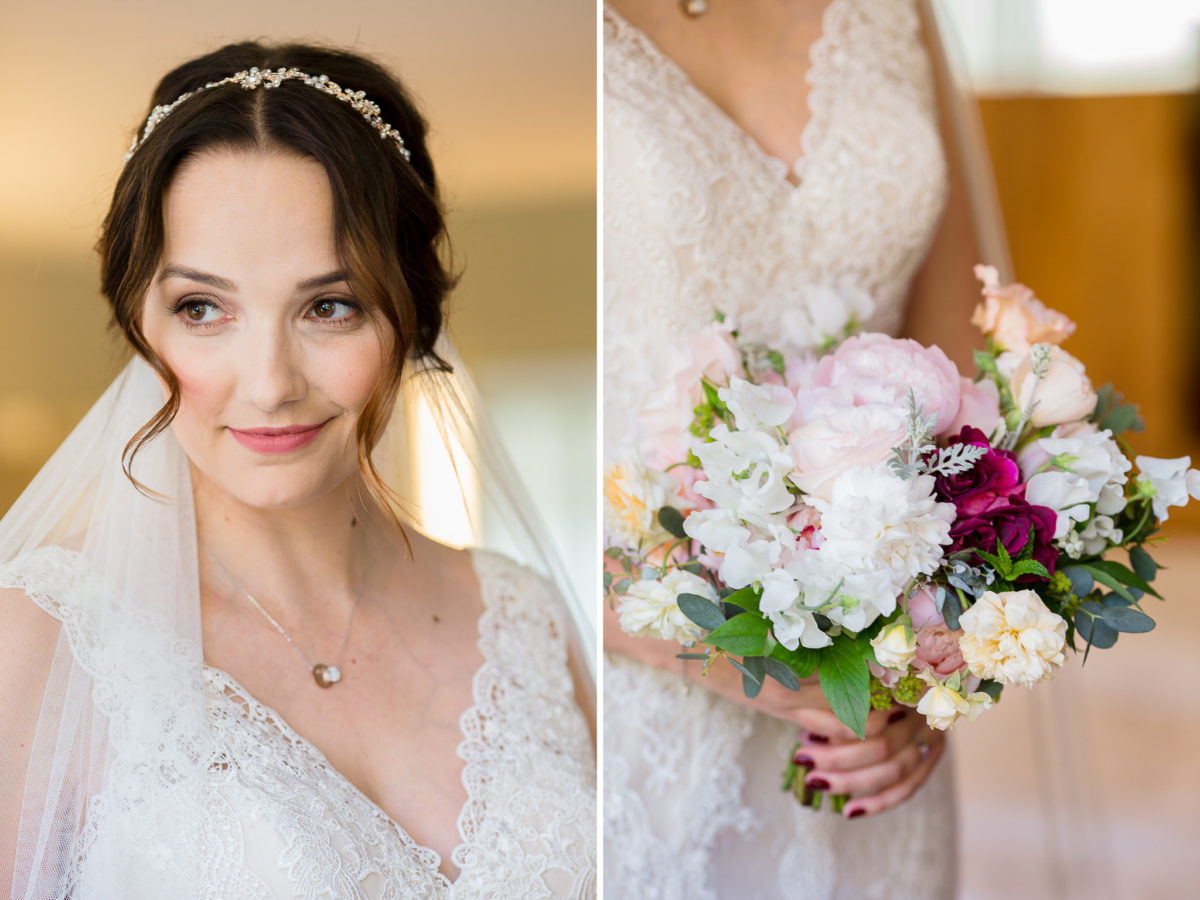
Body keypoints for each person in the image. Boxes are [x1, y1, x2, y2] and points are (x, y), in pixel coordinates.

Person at [0, 42, 595, 898]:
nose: (272, 382)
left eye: (329, 306)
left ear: (411, 319)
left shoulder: (526, 618)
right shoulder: (39, 642)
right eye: (203, 309)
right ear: (142, 323)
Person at [602, 1, 1008, 897]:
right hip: (637, 699)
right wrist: (717, 650)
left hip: (866, 726)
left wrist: (929, 666)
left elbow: (964, 386)